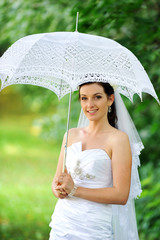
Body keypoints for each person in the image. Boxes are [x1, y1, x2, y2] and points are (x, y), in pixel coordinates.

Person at [48, 82, 135, 240]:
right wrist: (58, 189)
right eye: (84, 98)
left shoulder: (118, 139)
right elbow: (57, 180)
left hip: (93, 227)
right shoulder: (70, 135)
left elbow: (121, 195)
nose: (89, 104)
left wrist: (74, 190)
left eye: (97, 97)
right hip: (63, 223)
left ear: (110, 99)